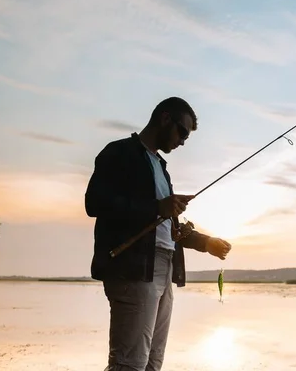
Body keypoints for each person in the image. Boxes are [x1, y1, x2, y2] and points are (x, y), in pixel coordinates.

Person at [84, 96, 232, 371]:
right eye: (183, 132)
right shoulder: (119, 153)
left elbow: (169, 227)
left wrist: (206, 243)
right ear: (165, 118)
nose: (183, 141)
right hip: (132, 270)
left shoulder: (162, 169)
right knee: (128, 364)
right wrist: (155, 207)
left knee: (152, 363)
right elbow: (94, 203)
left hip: (163, 269)